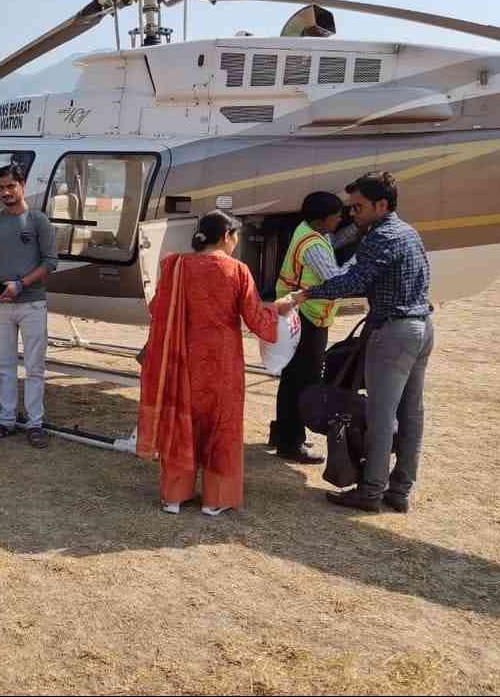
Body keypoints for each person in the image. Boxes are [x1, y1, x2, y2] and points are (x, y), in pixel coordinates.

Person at [290, 171, 433, 513]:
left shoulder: (381, 236)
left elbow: (351, 281)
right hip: (422, 326)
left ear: (381, 205)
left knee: (382, 416)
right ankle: (399, 490)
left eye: (358, 207)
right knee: (411, 412)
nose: (353, 215)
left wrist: (305, 294)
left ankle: (370, 490)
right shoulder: (408, 233)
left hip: (394, 332)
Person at [138, 210, 296, 515]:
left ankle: (174, 496)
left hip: (181, 359)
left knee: (181, 422)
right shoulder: (237, 270)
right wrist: (279, 309)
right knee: (221, 427)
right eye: (236, 236)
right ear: (226, 235)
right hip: (222, 363)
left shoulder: (174, 266)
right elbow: (256, 320)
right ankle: (216, 500)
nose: (236, 242)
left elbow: (157, 308)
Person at [271, 191, 362, 462]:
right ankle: (291, 442)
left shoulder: (307, 231)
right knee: (303, 381)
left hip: (299, 315)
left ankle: (282, 434)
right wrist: (361, 259)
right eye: (337, 216)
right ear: (323, 219)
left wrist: (354, 232)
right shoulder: (313, 246)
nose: (340, 220)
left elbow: (331, 242)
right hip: (308, 317)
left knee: (291, 379)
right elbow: (335, 280)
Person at [0, 163, 57, 448]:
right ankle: (6, 419)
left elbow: (50, 261)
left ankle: (35, 423)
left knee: (34, 367)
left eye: (11, 186)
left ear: (22, 185)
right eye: (1, 188)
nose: (6, 192)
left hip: (32, 303)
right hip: (2, 306)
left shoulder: (38, 221)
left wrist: (20, 284)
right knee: (6, 364)